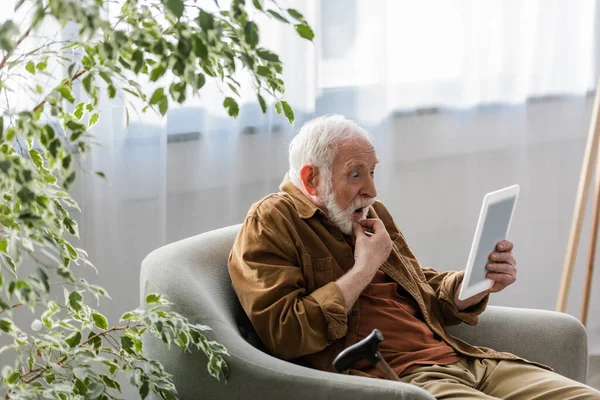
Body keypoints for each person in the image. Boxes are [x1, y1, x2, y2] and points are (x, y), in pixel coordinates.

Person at [228, 115, 600, 399]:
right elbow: (284, 332)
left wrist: (473, 283)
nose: (371, 190)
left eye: (372, 172)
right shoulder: (271, 223)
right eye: (356, 175)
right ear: (311, 180)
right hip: (405, 377)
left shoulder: (370, 215)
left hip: (468, 360)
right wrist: (364, 268)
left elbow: (419, 288)